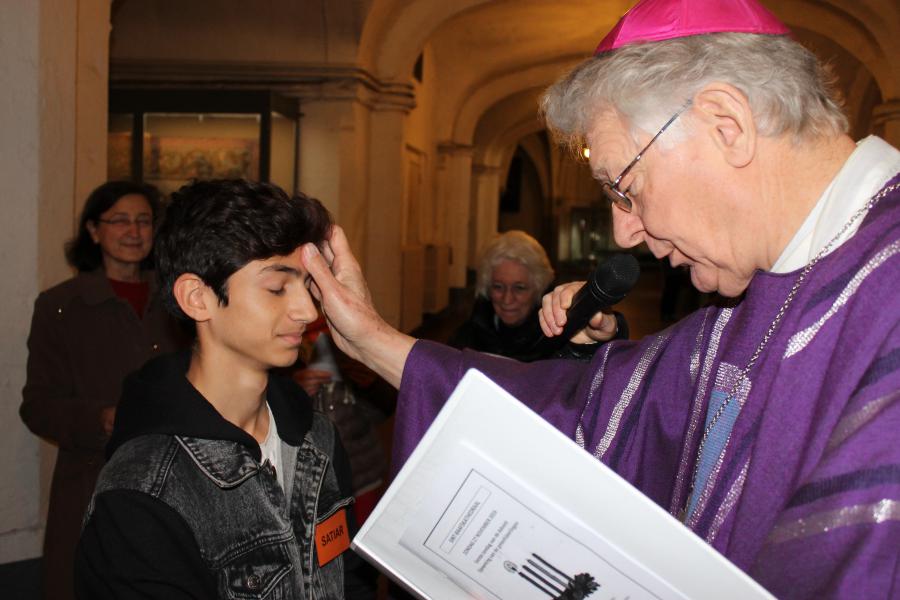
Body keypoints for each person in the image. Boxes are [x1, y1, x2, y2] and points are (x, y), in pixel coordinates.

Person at [297, 0, 900, 596]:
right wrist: (372, 340)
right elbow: (592, 408)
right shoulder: (767, 294)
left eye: (625, 187)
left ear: (726, 125)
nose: (622, 232)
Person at [74, 180, 375, 599]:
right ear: (198, 298)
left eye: (306, 285)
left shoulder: (315, 438)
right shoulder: (142, 492)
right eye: (276, 288)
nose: (308, 311)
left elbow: (350, 578)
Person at [19, 180, 186, 600]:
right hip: (93, 481)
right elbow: (38, 406)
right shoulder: (61, 306)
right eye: (120, 221)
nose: (134, 232)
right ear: (94, 231)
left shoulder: (181, 297)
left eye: (144, 221)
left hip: (178, 479)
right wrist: (100, 419)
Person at [450, 230, 626, 361]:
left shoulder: (556, 331)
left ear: (538, 287)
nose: (507, 299)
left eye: (519, 288)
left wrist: (610, 328)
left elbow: (604, 356)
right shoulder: (470, 332)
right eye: (498, 287)